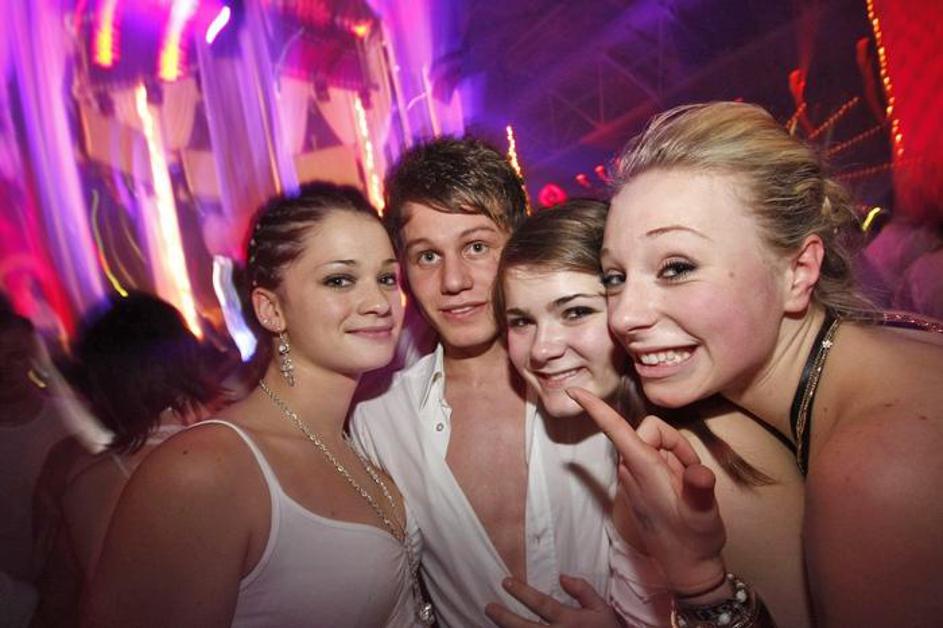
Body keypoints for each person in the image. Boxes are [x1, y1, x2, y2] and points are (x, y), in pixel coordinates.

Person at [574, 101, 943, 627]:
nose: (625, 315)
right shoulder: (889, 340)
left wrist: (699, 582)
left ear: (798, 271)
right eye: (615, 277)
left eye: (676, 268)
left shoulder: (878, 471)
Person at [83, 182, 431, 627]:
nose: (379, 302)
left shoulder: (361, 437)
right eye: (339, 280)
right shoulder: (206, 470)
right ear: (270, 310)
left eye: (386, 278)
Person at [350, 138, 661, 627]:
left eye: (476, 247)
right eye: (427, 256)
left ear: (518, 242)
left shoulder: (596, 372)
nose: (454, 280)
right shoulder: (378, 419)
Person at [488, 200, 809, 627]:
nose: (542, 349)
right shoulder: (633, 437)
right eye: (521, 321)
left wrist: (702, 589)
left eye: (576, 312)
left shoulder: (710, 458)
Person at [31, 292, 225, 625]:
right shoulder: (249, 438)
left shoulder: (89, 483)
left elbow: (58, 606)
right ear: (189, 356)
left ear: (102, 384)